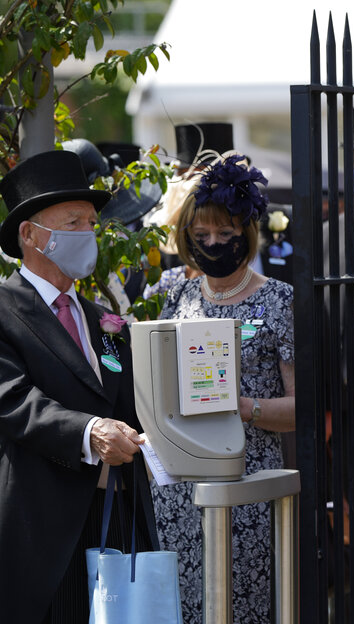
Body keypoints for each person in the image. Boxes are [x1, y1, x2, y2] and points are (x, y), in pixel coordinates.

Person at [0, 150, 156, 623]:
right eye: (73, 222)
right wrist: (90, 433)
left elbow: (129, 401)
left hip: (116, 514)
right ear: (31, 235)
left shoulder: (102, 320)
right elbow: (15, 401)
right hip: (42, 522)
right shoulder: (5, 309)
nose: (88, 233)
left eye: (91, 222)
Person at [151, 153, 295, 623]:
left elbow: (303, 409)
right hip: (179, 484)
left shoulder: (278, 300)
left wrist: (241, 406)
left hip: (246, 480)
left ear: (246, 235)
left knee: (244, 605)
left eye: (225, 235)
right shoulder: (177, 295)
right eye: (201, 237)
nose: (213, 244)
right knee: (184, 606)